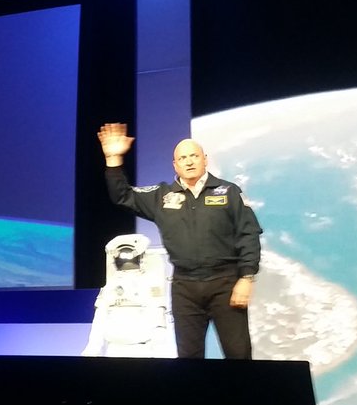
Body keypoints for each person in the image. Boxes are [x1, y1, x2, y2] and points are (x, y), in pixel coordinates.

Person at [98, 122, 262, 359]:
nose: (189, 161)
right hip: (185, 288)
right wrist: (113, 160)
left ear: (204, 159)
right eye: (182, 158)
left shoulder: (228, 192)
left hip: (225, 283)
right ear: (175, 165)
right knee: (188, 359)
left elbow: (249, 233)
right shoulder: (162, 196)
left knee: (239, 356)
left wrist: (246, 277)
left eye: (194, 155)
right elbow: (122, 196)